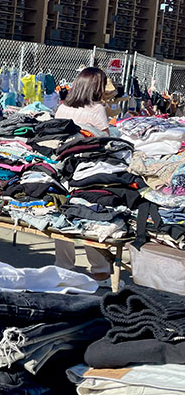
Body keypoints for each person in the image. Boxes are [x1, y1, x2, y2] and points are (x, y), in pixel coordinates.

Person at [53, 66, 112, 285]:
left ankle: (64, 268)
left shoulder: (63, 107)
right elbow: (106, 141)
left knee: (62, 215)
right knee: (90, 216)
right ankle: (100, 272)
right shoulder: (96, 109)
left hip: (63, 166)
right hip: (88, 170)